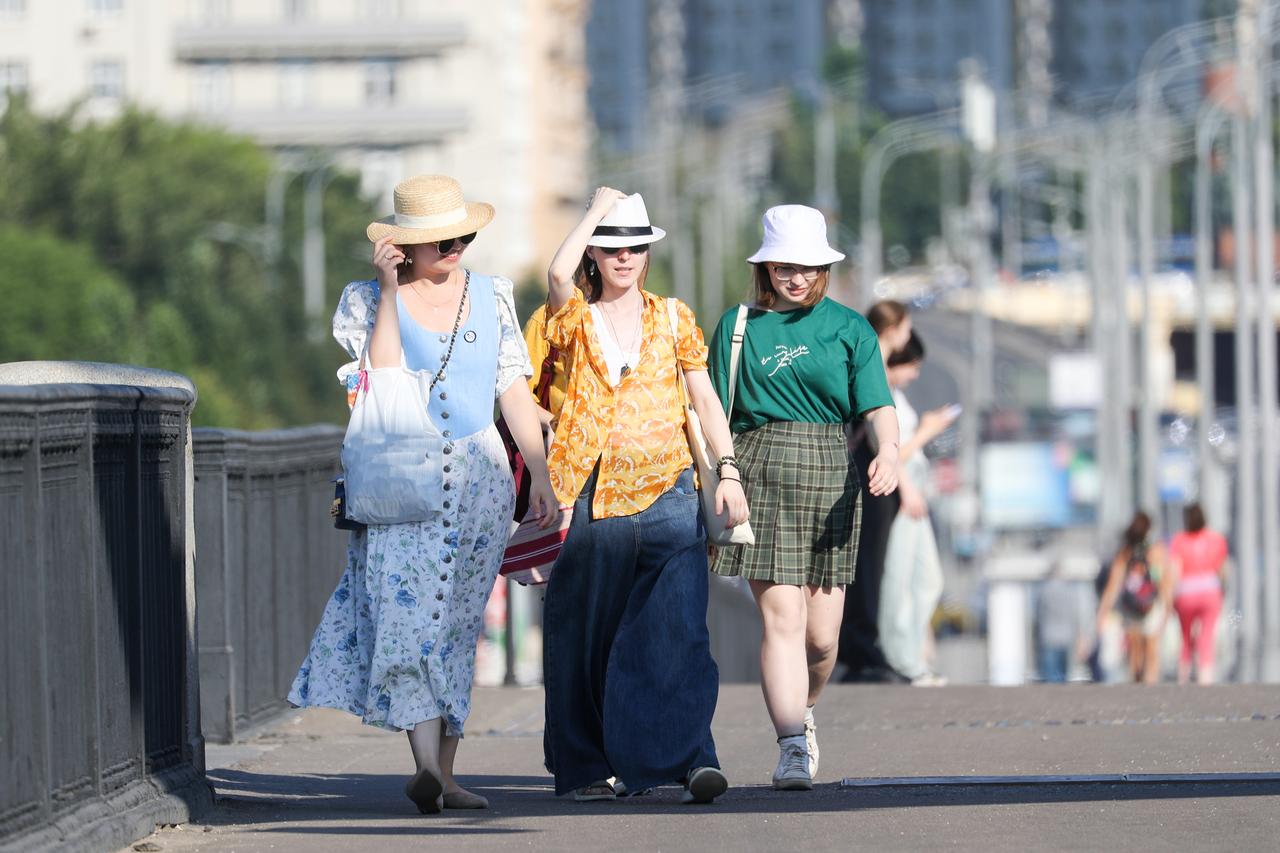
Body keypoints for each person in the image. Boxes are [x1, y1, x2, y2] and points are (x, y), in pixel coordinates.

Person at [288, 175, 558, 815]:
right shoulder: (365, 299)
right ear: (405, 246)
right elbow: (378, 376)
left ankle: (448, 772)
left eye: (463, 236)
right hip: (398, 477)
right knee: (408, 617)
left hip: (481, 480)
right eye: (441, 240)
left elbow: (512, 390)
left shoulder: (492, 297)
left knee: (460, 625)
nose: (456, 247)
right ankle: (425, 767)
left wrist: (540, 476)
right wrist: (388, 293)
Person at [541, 187, 749, 804]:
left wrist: (730, 469)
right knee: (585, 636)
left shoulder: (673, 316)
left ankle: (690, 761)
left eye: (634, 246)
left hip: (669, 495)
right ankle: (583, 769)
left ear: (648, 253)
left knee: (679, 632)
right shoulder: (574, 316)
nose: (624, 257)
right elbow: (556, 271)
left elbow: (704, 397)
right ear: (595, 256)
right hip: (591, 499)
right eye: (611, 247)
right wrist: (593, 213)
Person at [707, 204, 899, 791]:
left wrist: (889, 451)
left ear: (825, 268)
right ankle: (790, 745)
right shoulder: (738, 327)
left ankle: (804, 710)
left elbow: (877, 405)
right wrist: (722, 474)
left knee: (821, 639)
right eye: (784, 266)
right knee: (782, 621)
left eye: (808, 267)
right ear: (765, 268)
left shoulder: (849, 327)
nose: (796, 277)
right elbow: (711, 411)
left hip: (828, 474)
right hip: (758, 473)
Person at [838, 299, 913, 683]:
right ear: (893, 328)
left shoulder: (866, 363)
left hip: (871, 476)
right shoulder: (873, 366)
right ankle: (863, 642)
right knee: (870, 563)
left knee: (869, 563)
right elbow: (873, 424)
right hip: (875, 478)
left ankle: (861, 642)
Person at [877, 331, 954, 687]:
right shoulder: (880, 399)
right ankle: (903, 659)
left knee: (927, 579)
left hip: (916, 493)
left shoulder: (896, 395)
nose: (915, 375)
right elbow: (892, 455)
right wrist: (926, 432)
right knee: (900, 582)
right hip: (904, 496)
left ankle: (910, 657)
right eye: (912, 366)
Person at [1096, 510, 1172, 684]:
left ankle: (1137, 685)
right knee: (1152, 648)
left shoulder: (1125, 552)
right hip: (1151, 605)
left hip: (1130, 606)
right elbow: (1161, 580)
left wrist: (1102, 613)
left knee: (1135, 650)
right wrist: (1168, 605)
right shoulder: (1155, 550)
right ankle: (1150, 685)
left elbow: (1113, 585)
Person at [1168, 503, 1229, 684]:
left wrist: (1171, 598)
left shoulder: (1179, 540)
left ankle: (1183, 678)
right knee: (1206, 636)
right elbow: (1223, 571)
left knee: (1185, 637)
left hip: (1186, 592)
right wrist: (1222, 592)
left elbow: (1175, 572)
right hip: (1210, 591)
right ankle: (1205, 678)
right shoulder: (1216, 539)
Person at [1036, 562, 1084, 683]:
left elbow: (1039, 615)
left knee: (1050, 677)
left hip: (1049, 638)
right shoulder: (1070, 591)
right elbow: (1075, 616)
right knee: (1063, 677)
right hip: (1067, 638)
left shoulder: (1044, 590)